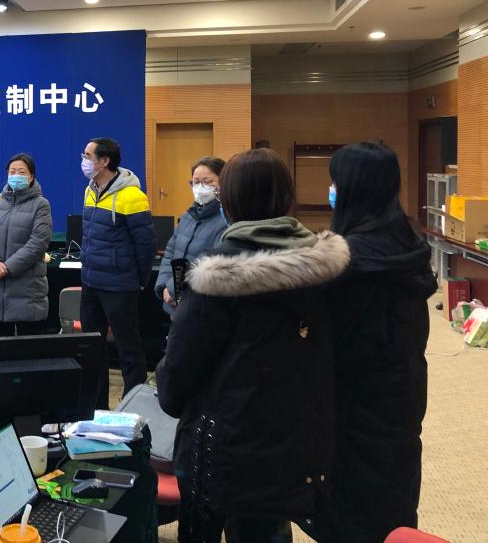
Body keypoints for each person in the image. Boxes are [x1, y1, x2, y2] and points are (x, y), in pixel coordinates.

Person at [156, 148, 350, 543]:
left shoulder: (216, 276)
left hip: (223, 447)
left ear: (230, 201)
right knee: (268, 528)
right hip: (296, 439)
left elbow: (176, 378)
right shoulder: (323, 269)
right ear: (286, 197)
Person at [315, 143, 437, 543]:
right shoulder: (406, 239)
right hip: (403, 394)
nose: (332, 190)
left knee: (352, 515)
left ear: (355, 188)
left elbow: (332, 344)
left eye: (336, 182)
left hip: (355, 407)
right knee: (393, 506)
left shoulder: (350, 261)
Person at [79, 137, 157, 404]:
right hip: (91, 282)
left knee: (128, 350)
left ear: (104, 161)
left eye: (88, 156)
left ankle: (132, 406)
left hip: (120, 285)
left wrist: (140, 280)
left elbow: (146, 244)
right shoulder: (89, 190)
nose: (84, 161)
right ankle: (96, 406)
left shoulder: (132, 196)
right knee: (92, 348)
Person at [0, 153, 53, 336]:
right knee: (1, 344)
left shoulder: (41, 205)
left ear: (31, 176)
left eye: (22, 172)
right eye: (12, 171)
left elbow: (38, 242)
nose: (16, 175)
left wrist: (8, 267)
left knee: (28, 345)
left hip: (27, 287)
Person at [154, 156, 227, 317]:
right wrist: (164, 285)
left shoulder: (225, 220)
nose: (200, 187)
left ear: (223, 183)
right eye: (195, 182)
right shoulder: (188, 216)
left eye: (207, 182)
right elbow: (170, 253)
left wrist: (173, 289)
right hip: (175, 306)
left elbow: (208, 263)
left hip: (201, 308)